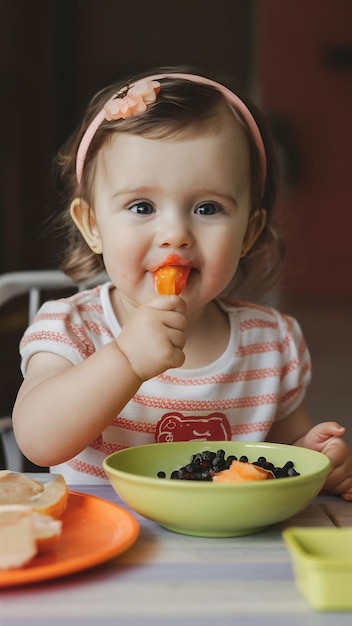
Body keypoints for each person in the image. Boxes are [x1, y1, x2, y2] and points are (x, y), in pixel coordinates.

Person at [12, 67, 352, 498]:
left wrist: (313, 458)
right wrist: (125, 360)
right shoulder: (72, 328)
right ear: (92, 225)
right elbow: (39, 441)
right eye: (141, 206)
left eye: (208, 208)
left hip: (229, 548)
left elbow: (281, 456)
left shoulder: (271, 343)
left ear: (248, 232)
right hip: (104, 543)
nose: (176, 233)